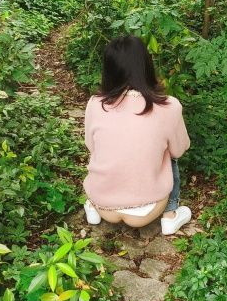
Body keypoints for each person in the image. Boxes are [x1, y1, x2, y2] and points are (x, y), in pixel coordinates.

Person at [82, 34, 192, 235]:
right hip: (148, 209)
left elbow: (91, 146)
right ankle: (170, 214)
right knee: (169, 155)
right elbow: (179, 150)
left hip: (103, 204)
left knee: (102, 148)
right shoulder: (169, 106)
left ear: (109, 69)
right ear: (146, 65)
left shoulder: (95, 103)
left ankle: (91, 206)